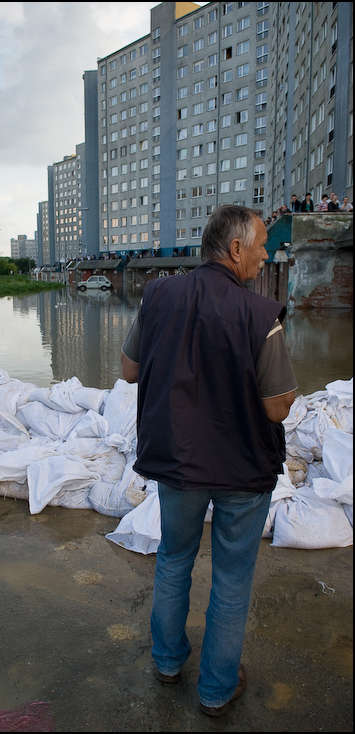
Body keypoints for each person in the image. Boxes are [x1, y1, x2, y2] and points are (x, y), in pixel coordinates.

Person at [121, 205, 297, 718]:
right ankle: (217, 690)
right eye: (262, 246)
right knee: (233, 576)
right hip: (242, 470)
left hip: (177, 463)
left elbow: (129, 370)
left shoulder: (157, 296)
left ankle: (169, 663)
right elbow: (276, 405)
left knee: (173, 560)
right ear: (235, 248)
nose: (265, 257)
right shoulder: (259, 314)